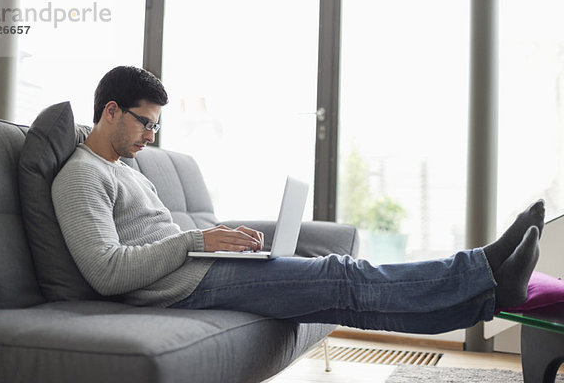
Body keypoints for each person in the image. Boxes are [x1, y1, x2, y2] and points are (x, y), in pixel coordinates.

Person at [52, 65, 545, 335]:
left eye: (157, 125)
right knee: (341, 274)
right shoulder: (80, 176)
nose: (151, 136)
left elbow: (161, 238)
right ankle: (483, 265)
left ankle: (491, 296)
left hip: (195, 267)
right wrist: (199, 240)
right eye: (145, 122)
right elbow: (108, 272)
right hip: (182, 285)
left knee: (349, 302)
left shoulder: (126, 167)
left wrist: (216, 240)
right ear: (111, 111)